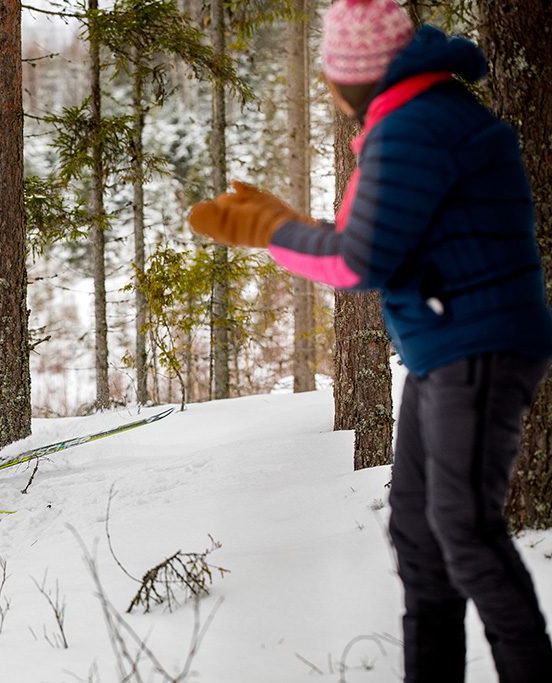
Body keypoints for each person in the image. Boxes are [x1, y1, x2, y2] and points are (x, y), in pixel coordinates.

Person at [187, 1, 552, 681]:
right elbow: (372, 235)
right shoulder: (418, 115)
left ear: (354, 75)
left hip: (475, 348)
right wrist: (285, 223)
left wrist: (271, 232)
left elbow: (362, 260)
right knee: (420, 534)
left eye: (332, 75)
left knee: (464, 531)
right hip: (448, 348)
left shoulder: (414, 126)